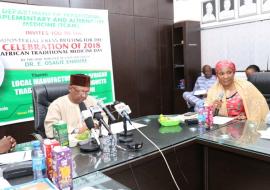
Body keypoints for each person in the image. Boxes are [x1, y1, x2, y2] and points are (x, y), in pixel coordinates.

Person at [44, 74, 104, 138]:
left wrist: (95, 124)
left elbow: (104, 118)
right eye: (80, 92)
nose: (84, 95)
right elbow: (50, 129)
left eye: (87, 92)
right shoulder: (57, 105)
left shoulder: (92, 100)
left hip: (92, 140)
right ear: (70, 89)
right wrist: (75, 131)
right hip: (68, 144)